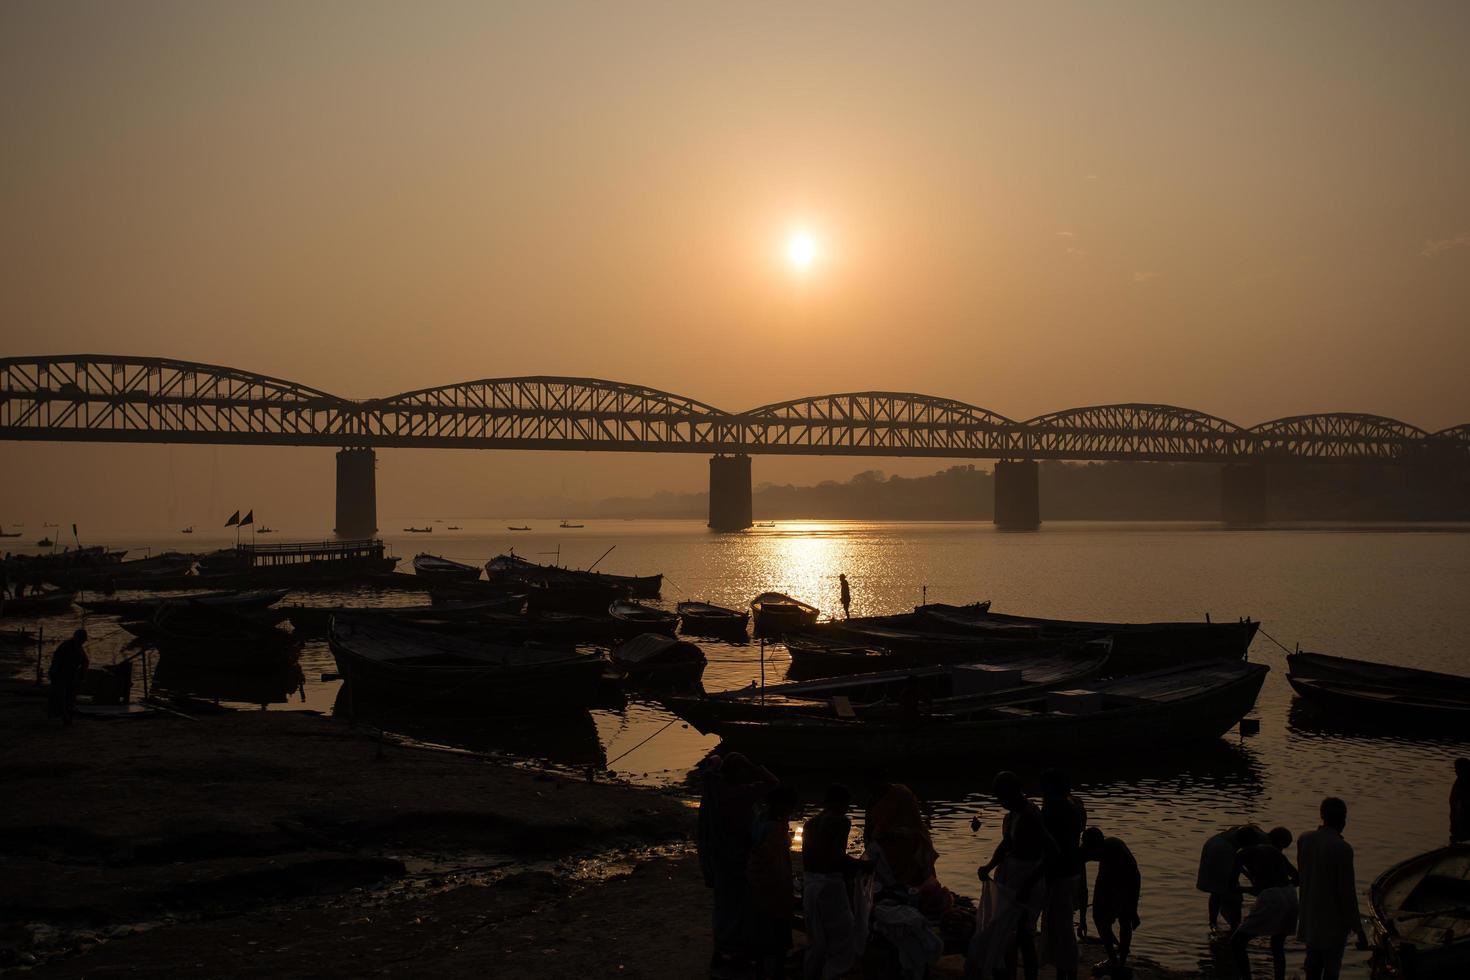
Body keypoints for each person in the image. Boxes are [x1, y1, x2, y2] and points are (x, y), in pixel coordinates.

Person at [969, 771, 1058, 980]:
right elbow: (1006, 843)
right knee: (1006, 934)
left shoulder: (1031, 815)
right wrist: (989, 866)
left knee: (1025, 936)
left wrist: (1029, 884)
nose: (1001, 802)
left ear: (1014, 793)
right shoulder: (1012, 816)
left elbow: (1052, 852)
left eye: (1003, 797)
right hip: (1011, 879)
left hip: (1028, 880)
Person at [696, 751, 778, 975]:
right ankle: (733, 954)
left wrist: (715, 762)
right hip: (737, 858)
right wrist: (755, 766)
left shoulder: (714, 789)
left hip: (719, 857)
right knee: (739, 906)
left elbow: (708, 767)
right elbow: (773, 782)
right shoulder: (742, 793)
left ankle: (723, 951)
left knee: (724, 905)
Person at [802, 784, 871, 980]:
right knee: (842, 935)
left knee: (816, 938)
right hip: (830, 885)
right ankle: (833, 974)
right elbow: (837, 858)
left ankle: (813, 973)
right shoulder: (840, 822)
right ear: (840, 804)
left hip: (810, 884)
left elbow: (811, 859)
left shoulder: (810, 823)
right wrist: (863, 866)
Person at [1296, 798, 1369, 980]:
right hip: (1333, 921)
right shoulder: (1341, 848)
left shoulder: (1305, 839)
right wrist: (1358, 930)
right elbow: (1346, 893)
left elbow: (1305, 877)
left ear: (1322, 816)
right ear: (1344, 819)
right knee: (1331, 969)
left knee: (1312, 967)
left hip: (1310, 915)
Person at [1229, 827, 1299, 980]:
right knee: (1277, 944)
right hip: (1290, 895)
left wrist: (1248, 889)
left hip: (1271, 897)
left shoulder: (1241, 854)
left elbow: (1232, 886)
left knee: (1237, 943)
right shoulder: (1274, 851)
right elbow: (1298, 878)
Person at [747, 784, 798, 979]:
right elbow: (768, 859)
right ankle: (775, 972)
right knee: (776, 933)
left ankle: (764, 969)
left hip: (763, 884)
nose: (791, 811)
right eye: (789, 806)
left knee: (764, 931)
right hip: (773, 885)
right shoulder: (774, 828)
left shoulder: (761, 820)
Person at [1039, 770, 1086, 980]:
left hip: (1059, 874)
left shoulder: (1052, 807)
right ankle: (1066, 971)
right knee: (1063, 924)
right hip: (1072, 872)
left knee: (1060, 927)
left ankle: (1065, 970)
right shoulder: (1075, 806)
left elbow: (1049, 847)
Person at [1081, 826, 1140, 980]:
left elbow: (1131, 880)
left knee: (1123, 920)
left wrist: (1131, 907)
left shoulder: (1114, 851)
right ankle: (1115, 959)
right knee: (1100, 919)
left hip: (1125, 883)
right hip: (1111, 882)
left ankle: (1119, 962)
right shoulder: (1102, 849)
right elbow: (1081, 856)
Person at [863, 771, 937, 889]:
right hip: (883, 846)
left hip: (909, 843)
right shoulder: (872, 800)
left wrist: (895, 833)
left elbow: (915, 824)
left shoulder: (901, 794)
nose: (870, 788)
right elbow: (868, 830)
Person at [1196, 823, 1269, 933]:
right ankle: (1231, 927)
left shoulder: (1253, 834)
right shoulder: (1228, 849)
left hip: (1214, 843)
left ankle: (1215, 923)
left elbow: (1241, 861)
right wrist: (1252, 887)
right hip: (1219, 850)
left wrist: (1250, 876)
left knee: (1218, 891)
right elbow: (1239, 864)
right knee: (1227, 891)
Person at [47, 628, 89, 724]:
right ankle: (64, 716)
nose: (82, 642)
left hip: (71, 676)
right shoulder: (66, 646)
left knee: (69, 697)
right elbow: (57, 660)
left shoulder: (79, 648)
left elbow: (85, 662)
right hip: (60, 674)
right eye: (82, 639)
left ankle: (66, 716)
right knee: (61, 696)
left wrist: (83, 676)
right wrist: (53, 672)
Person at [1451, 758, 1470, 843]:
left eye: (1457, 768)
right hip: (1458, 825)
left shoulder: (1465, 782)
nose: (1455, 771)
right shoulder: (1459, 782)